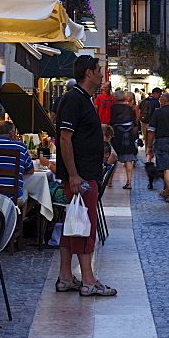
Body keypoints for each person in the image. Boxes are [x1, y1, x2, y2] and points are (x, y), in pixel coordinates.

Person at [55, 55, 116, 297]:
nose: (102, 75)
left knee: (73, 224)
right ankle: (88, 280)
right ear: (89, 73)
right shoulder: (74, 100)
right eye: (99, 71)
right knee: (84, 226)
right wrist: (73, 175)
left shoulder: (84, 100)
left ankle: (65, 276)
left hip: (83, 173)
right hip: (81, 176)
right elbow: (64, 138)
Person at [0, 121, 34, 204]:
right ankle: (19, 216)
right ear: (11, 133)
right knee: (29, 194)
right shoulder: (19, 147)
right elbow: (30, 170)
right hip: (12, 195)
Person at [109, 89, 138, 189]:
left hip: (117, 134)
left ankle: (109, 180)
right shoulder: (130, 109)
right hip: (128, 135)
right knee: (128, 158)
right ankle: (129, 182)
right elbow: (135, 123)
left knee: (113, 157)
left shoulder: (113, 108)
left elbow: (111, 121)